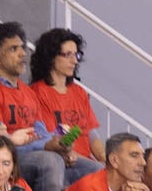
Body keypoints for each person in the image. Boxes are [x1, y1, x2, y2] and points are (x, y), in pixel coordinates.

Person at [0, 20, 92, 191]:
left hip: (39, 153)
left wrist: (59, 146)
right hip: (9, 158)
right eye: (13, 49)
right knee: (50, 161)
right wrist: (47, 146)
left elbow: (41, 132)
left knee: (96, 171)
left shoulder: (27, 92)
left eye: (22, 48)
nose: (22, 54)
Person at [31, 26, 103, 162]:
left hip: (87, 161)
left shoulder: (79, 92)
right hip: (64, 159)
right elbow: (55, 140)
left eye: (76, 55)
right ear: (51, 57)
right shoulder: (37, 92)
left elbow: (91, 133)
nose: (74, 61)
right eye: (68, 55)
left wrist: (104, 158)